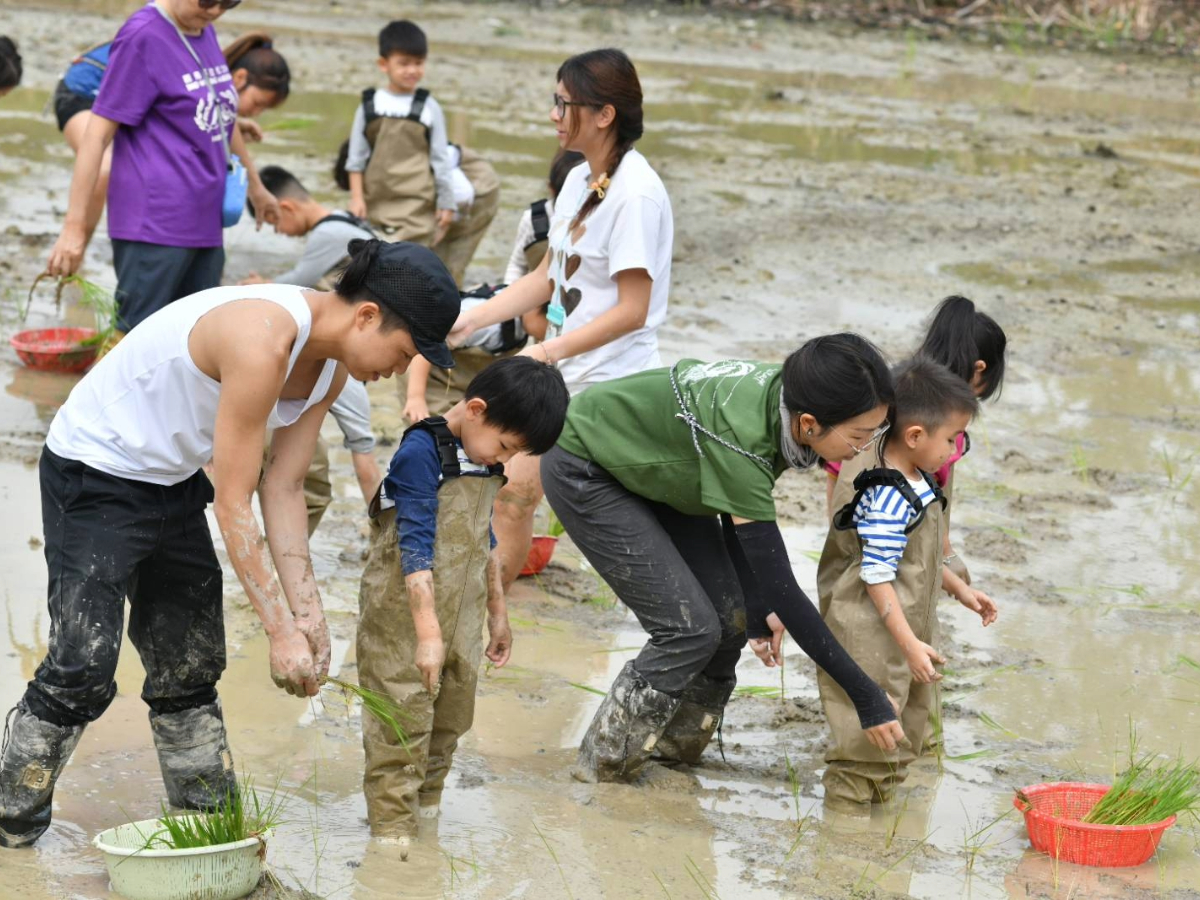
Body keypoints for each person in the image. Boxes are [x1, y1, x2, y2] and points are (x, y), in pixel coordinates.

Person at [0, 240, 461, 849]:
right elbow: (234, 500)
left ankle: (209, 834)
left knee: (190, 662)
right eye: (404, 354)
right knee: (83, 663)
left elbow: (287, 485)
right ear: (368, 315)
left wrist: (308, 613)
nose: (400, 371)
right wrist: (278, 630)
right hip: (97, 469)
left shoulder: (329, 364)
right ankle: (13, 823)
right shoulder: (262, 338)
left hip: (172, 475)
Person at [539, 335, 907, 783]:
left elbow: (740, 517)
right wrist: (865, 696)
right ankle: (603, 769)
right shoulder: (744, 438)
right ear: (810, 424)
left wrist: (753, 612)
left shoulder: (787, 398)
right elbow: (784, 591)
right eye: (858, 436)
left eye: (876, 433)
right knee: (687, 630)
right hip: (589, 466)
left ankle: (669, 758)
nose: (866, 447)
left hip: (665, 473)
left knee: (728, 620)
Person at [448, 48, 673, 591]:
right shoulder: (580, 180)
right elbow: (547, 277)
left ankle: (490, 611)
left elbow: (633, 311)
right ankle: (492, 606)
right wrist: (467, 321)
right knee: (511, 489)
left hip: (607, 381)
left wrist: (546, 351)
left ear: (604, 114)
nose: (553, 114)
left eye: (563, 103)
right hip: (564, 369)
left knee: (518, 491)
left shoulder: (635, 196)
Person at [358, 356, 569, 856]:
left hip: (465, 607)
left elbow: (485, 537)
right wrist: (427, 632)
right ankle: (392, 844)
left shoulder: (483, 459)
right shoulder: (420, 453)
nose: (507, 460)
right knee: (400, 721)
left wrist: (498, 613)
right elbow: (413, 546)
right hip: (403, 613)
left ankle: (426, 816)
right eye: (506, 446)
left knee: (451, 717)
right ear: (475, 410)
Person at [817, 357, 998, 810]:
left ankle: (875, 833)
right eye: (951, 438)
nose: (954, 449)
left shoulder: (917, 481)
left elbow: (920, 558)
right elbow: (876, 576)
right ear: (915, 435)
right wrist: (910, 645)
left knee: (900, 738)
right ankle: (843, 835)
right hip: (874, 633)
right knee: (865, 747)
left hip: (903, 631)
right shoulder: (885, 496)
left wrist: (960, 588)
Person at [45, 0, 282, 331]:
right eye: (208, 0)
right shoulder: (144, 36)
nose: (215, 10)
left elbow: (222, 118)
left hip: (205, 222)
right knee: (135, 340)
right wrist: (73, 228)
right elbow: (96, 137)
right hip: (156, 224)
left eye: (228, 3)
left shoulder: (202, 28)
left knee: (193, 341)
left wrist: (256, 187)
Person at [824, 295, 1008, 584]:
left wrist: (837, 536)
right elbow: (934, 503)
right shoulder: (943, 426)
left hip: (850, 538)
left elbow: (836, 472)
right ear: (979, 369)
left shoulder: (889, 390)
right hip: (902, 551)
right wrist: (947, 556)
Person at [241, 165, 383, 529]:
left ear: (287, 207)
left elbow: (296, 283)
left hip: (329, 356)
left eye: (274, 222)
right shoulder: (344, 223)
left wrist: (260, 284)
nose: (279, 232)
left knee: (295, 478)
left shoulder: (330, 233)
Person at [343, 20, 455, 245]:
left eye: (419, 63)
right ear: (384, 64)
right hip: (376, 202)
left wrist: (446, 203)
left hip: (417, 204)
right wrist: (357, 198)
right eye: (404, 63)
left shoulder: (429, 107)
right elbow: (356, 159)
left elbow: (440, 158)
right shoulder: (370, 105)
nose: (412, 70)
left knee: (410, 258)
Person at [503, 148, 584, 341]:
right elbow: (517, 265)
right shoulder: (534, 220)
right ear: (552, 189)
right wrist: (509, 303)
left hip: (581, 314)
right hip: (540, 309)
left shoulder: (596, 223)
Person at [435, 143, 502, 287]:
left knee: (449, 269)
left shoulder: (434, 158)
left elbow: (463, 195)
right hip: (451, 190)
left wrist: (442, 223)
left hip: (479, 193)